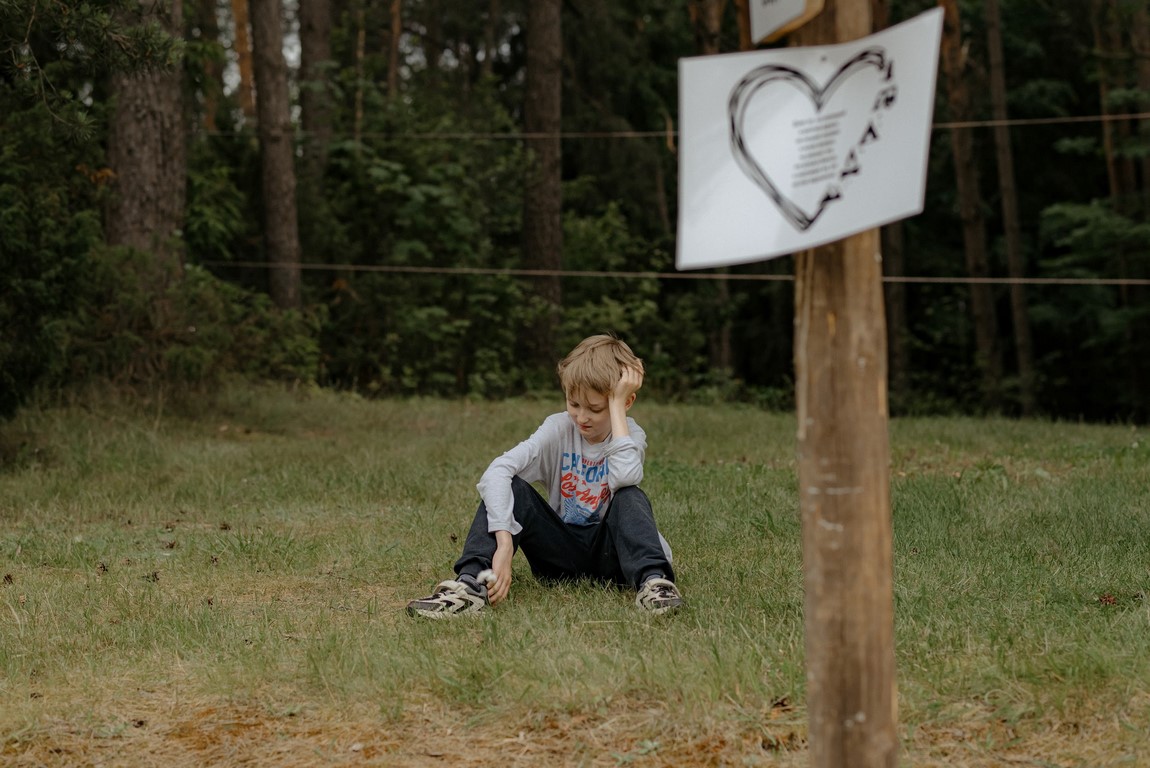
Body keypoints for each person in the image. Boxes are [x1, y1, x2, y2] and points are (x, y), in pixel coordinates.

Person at [406, 334, 682, 618]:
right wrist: (504, 540)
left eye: (595, 408)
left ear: (625, 402)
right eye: (574, 404)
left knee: (630, 495)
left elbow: (625, 477)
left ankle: (654, 584)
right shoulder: (558, 429)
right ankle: (470, 586)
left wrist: (617, 407)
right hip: (560, 557)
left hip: (615, 559)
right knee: (512, 486)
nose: (582, 417)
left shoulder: (630, 435)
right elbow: (497, 471)